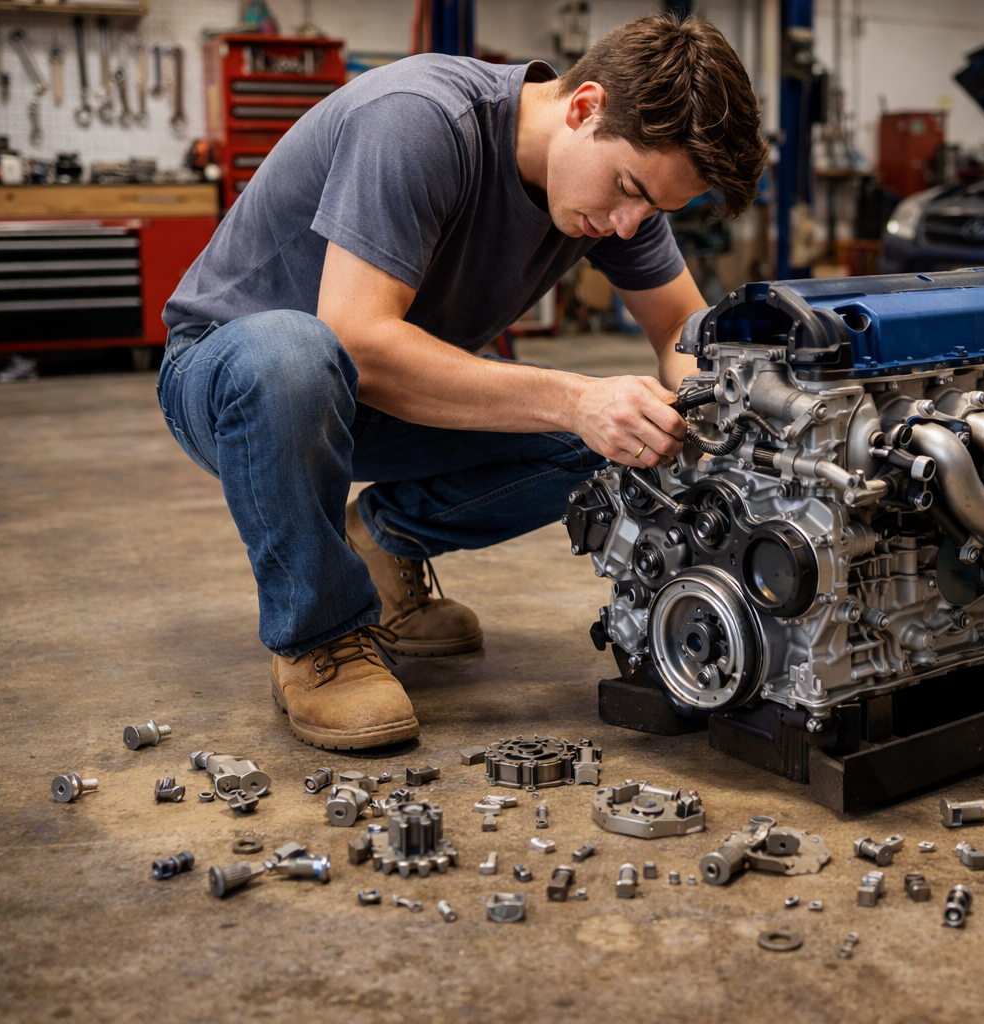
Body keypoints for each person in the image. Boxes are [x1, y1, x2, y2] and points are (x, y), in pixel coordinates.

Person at [156, 14, 766, 751]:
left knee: (635, 429)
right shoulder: (422, 121)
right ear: (584, 107)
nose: (631, 224)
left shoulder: (616, 199)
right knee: (294, 351)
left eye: (656, 210)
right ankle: (318, 637)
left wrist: (712, 415)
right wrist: (576, 400)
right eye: (629, 189)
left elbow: (681, 329)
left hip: (377, 398)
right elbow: (358, 342)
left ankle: (380, 544)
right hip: (237, 379)